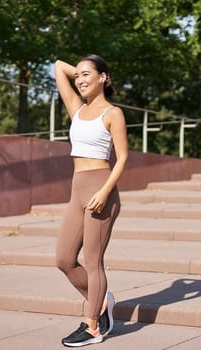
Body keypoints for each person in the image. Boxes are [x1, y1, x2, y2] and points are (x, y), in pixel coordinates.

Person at [53, 54, 127, 347]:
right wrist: (85, 72)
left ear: (104, 78)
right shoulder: (76, 108)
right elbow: (59, 66)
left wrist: (105, 191)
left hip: (101, 190)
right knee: (63, 259)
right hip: (77, 190)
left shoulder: (112, 113)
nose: (80, 80)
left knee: (93, 262)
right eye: (79, 76)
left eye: (87, 75)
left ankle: (93, 326)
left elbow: (122, 158)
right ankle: (101, 300)